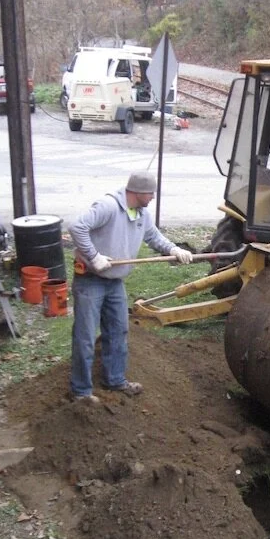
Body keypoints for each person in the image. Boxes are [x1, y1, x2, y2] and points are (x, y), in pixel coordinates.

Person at [66, 171, 192, 403]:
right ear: (137, 192)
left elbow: (153, 237)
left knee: (118, 330)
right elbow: (76, 227)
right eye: (151, 193)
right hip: (91, 281)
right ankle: (81, 391)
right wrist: (93, 257)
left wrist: (173, 249)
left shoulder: (142, 213)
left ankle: (114, 379)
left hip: (115, 283)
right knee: (85, 336)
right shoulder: (108, 206)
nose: (153, 197)